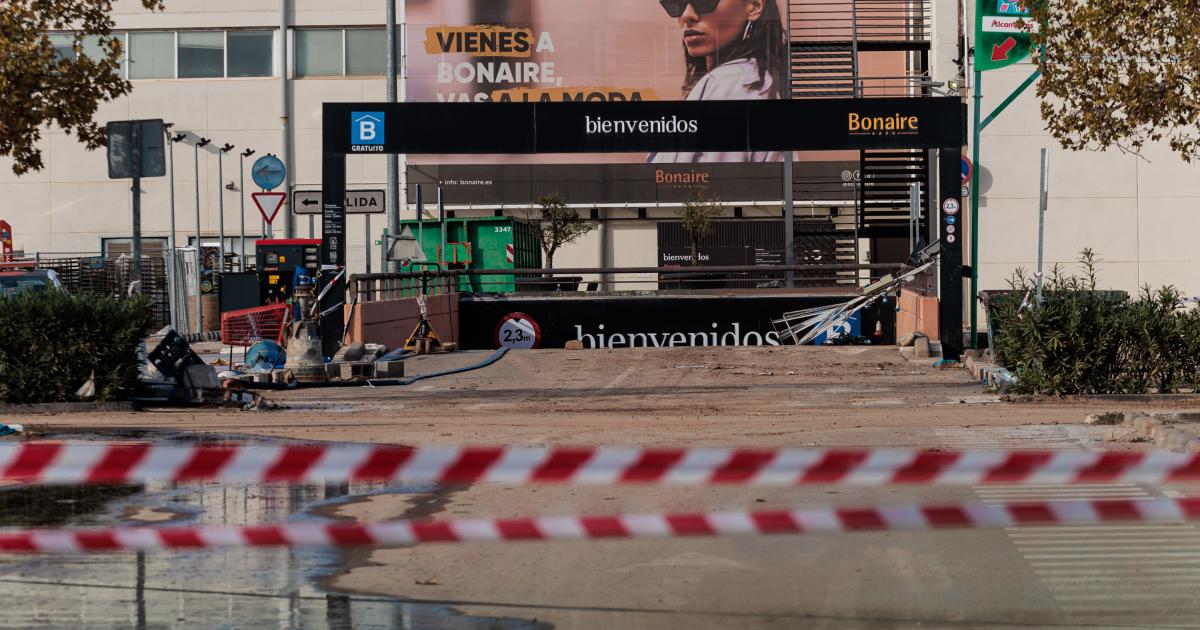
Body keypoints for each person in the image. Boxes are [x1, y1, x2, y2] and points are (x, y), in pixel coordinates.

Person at [649, 0, 786, 163]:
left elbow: (711, 179)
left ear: (754, 6)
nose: (686, 15)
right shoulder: (756, 80)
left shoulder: (731, 82)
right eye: (676, 3)